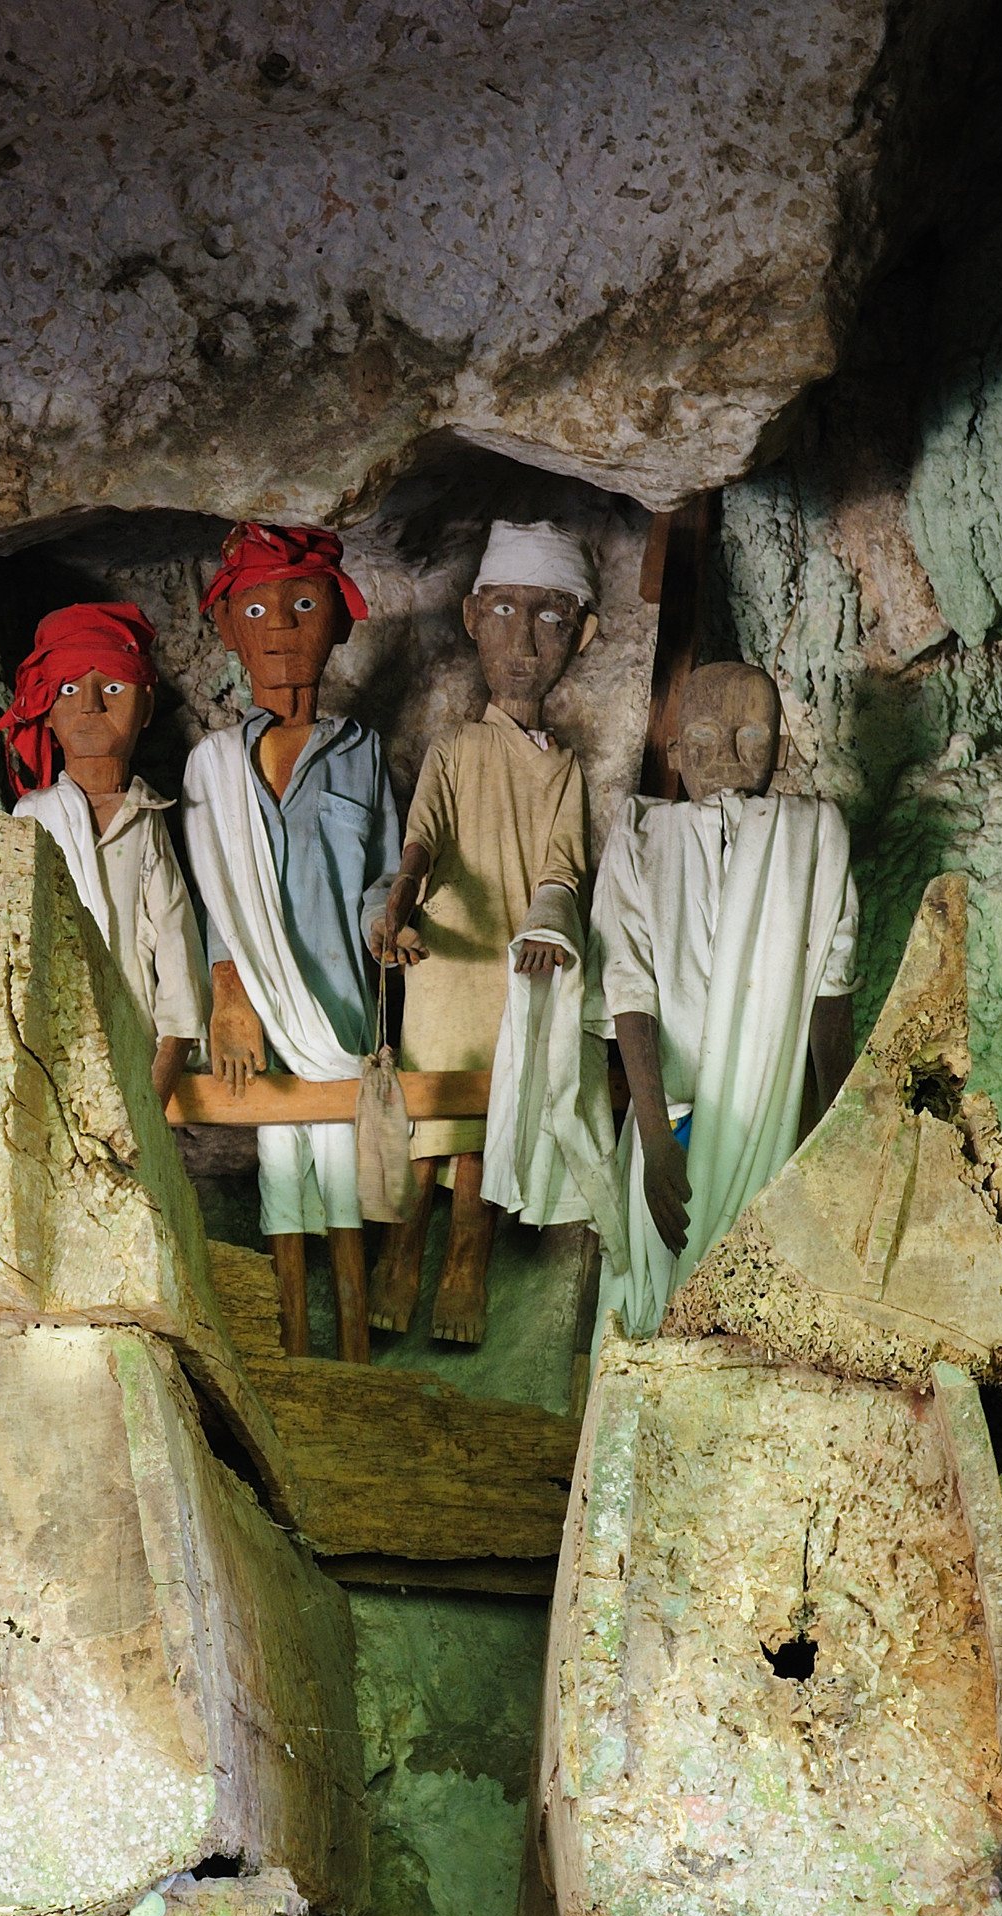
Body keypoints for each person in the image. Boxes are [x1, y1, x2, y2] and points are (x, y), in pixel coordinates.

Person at [372, 519, 602, 1344]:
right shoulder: (455, 745)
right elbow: (422, 836)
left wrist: (547, 927)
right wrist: (401, 897)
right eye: (504, 610)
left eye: (547, 617)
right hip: (446, 954)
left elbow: (561, 868)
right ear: (472, 618)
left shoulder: (563, 767)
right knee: (425, 1123)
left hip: (512, 965)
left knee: (484, 1131)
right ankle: (399, 1264)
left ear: (582, 634)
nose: (524, 640)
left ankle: (466, 1265)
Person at [179, 520, 398, 1361]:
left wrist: (394, 922)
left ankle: (352, 1370)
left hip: (341, 1018)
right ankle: (292, 1370)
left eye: (302, 606)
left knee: (344, 1204)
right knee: (283, 1200)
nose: (279, 628)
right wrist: (229, 992)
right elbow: (212, 896)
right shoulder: (210, 769)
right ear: (231, 632)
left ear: (338, 622)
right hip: (260, 1026)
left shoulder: (364, 753)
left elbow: (383, 873)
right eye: (257, 610)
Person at [595, 660, 856, 1337]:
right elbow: (630, 987)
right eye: (707, 740)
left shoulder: (816, 835)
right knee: (655, 1321)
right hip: (670, 1128)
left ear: (779, 748)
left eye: (753, 738)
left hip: (772, 1129)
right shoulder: (641, 836)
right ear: (676, 751)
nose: (732, 759)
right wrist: (654, 1139)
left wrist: (826, 1139)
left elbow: (833, 990)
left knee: (757, 1330)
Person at [0, 601, 203, 1104]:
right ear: (45, 708)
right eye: (69, 689)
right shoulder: (32, 818)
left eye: (112, 688)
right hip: (51, 1052)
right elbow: (7, 946)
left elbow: (177, 940)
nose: (90, 705)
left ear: (147, 707)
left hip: (137, 1045)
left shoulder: (146, 816)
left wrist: (166, 1063)